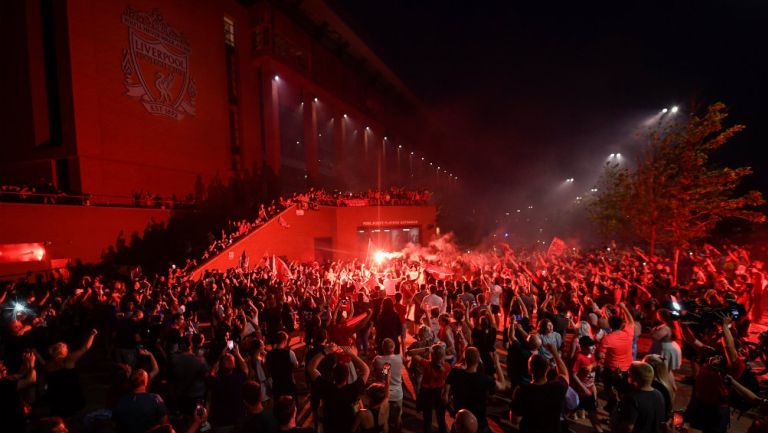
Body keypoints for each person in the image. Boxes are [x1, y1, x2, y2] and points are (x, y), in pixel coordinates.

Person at [309, 344, 370, 433]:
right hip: (348, 428)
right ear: (347, 376)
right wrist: (352, 354)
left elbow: (311, 367)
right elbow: (366, 370)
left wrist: (326, 351)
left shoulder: (326, 388)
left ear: (333, 375)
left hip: (330, 428)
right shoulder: (353, 389)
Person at [510, 343, 570, 433]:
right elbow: (564, 374)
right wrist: (554, 353)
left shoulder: (522, 391)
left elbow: (515, 420)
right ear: (547, 369)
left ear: (529, 370)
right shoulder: (557, 388)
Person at [445, 347, 503, 433]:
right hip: (480, 424)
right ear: (479, 360)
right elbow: (502, 385)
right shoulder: (484, 379)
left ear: (465, 359)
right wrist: (497, 363)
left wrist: (451, 410)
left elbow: (444, 396)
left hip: (461, 421)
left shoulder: (455, 373)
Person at [45, 328, 97, 417]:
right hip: (69, 393)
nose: (67, 349)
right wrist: (92, 335)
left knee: (58, 413)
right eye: (65, 348)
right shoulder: (69, 359)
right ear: (61, 351)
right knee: (70, 413)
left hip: (56, 394)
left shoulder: (49, 364)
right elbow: (85, 348)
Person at [613, 361, 666, 433]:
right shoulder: (659, 394)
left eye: (629, 374)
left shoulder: (633, 398)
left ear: (635, 378)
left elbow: (628, 427)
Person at [112, 369, 169, 433]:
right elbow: (164, 425)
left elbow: (115, 425)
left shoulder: (121, 401)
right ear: (145, 382)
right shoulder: (156, 399)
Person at [410, 344, 450, 433]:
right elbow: (447, 381)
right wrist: (446, 393)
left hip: (427, 393)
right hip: (439, 393)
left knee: (427, 419)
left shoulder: (427, 364)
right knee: (441, 419)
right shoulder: (447, 366)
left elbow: (410, 353)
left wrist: (426, 348)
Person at [208, 350, 249, 432]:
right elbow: (245, 369)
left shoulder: (214, 381)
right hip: (237, 419)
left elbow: (212, 372)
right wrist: (237, 354)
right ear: (234, 366)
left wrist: (220, 357)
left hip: (220, 421)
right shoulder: (238, 379)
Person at [571, 336, 602, 432]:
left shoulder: (591, 355)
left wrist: (592, 365)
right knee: (592, 413)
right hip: (582, 391)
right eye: (590, 346)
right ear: (583, 347)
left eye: (593, 345)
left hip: (589, 389)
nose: (593, 347)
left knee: (575, 408)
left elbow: (596, 363)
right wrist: (584, 388)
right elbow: (573, 375)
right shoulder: (578, 357)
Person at [373, 338, 404, 432]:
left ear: (382, 348)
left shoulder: (378, 359)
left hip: (384, 393)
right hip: (397, 394)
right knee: (398, 416)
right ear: (394, 347)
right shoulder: (400, 358)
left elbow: (381, 373)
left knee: (385, 420)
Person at [0, 352, 36, 433]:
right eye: (1, 364)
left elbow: (20, 374)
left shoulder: (5, 380)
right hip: (12, 421)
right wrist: (32, 364)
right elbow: (31, 380)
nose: (3, 364)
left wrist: (26, 362)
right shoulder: (3, 383)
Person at [266, 331, 299, 402]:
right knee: (291, 402)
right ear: (285, 341)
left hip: (276, 383)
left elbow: (268, 367)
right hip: (288, 382)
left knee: (278, 403)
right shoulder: (290, 353)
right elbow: (296, 365)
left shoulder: (269, 354)